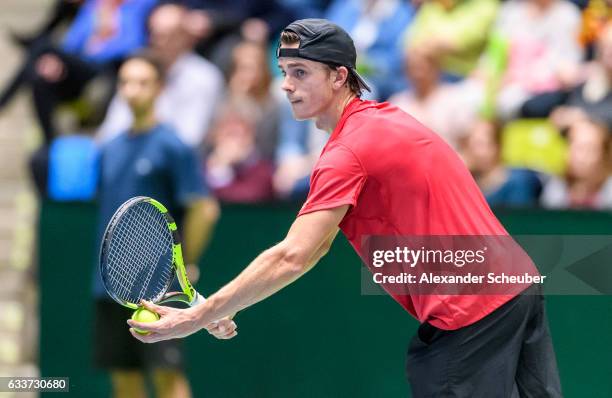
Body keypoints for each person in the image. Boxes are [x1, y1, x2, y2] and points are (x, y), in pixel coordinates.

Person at [128, 19, 562, 397]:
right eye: (283, 71)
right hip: (516, 285)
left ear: (339, 76)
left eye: (300, 72)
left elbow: (295, 254)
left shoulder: (348, 151)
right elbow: (312, 250)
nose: (286, 85)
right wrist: (224, 307)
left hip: (473, 309)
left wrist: (200, 315)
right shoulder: (383, 119)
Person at [94, 53, 234, 398]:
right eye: (125, 82)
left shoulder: (173, 145)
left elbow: (204, 209)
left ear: (159, 88)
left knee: (167, 378)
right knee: (124, 379)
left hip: (158, 288)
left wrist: (184, 263)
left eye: (142, 82)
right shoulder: (109, 149)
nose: (131, 91)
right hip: (110, 286)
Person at [97, 3, 224, 147]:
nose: (158, 41)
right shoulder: (137, 72)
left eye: (168, 35)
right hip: (129, 156)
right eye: (154, 33)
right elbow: (110, 131)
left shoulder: (204, 77)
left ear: (186, 36)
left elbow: (190, 139)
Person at [463, 119, 543, 207]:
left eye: (481, 144)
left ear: (498, 146)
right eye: (469, 145)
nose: (474, 151)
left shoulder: (517, 183)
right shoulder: (467, 183)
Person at [541, 118, 612, 209]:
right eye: (574, 147)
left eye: (588, 149)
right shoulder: (555, 187)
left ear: (604, 153)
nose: (580, 157)